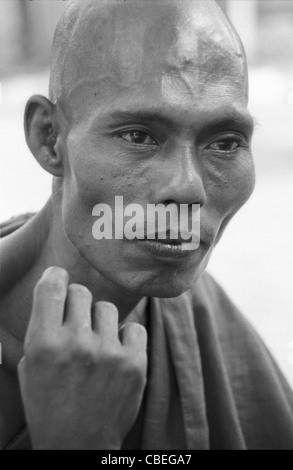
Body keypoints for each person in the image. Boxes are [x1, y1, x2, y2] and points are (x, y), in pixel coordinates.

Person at [0, 0, 293, 450]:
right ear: (49, 138)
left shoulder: (202, 319)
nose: (188, 189)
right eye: (138, 136)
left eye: (226, 143)